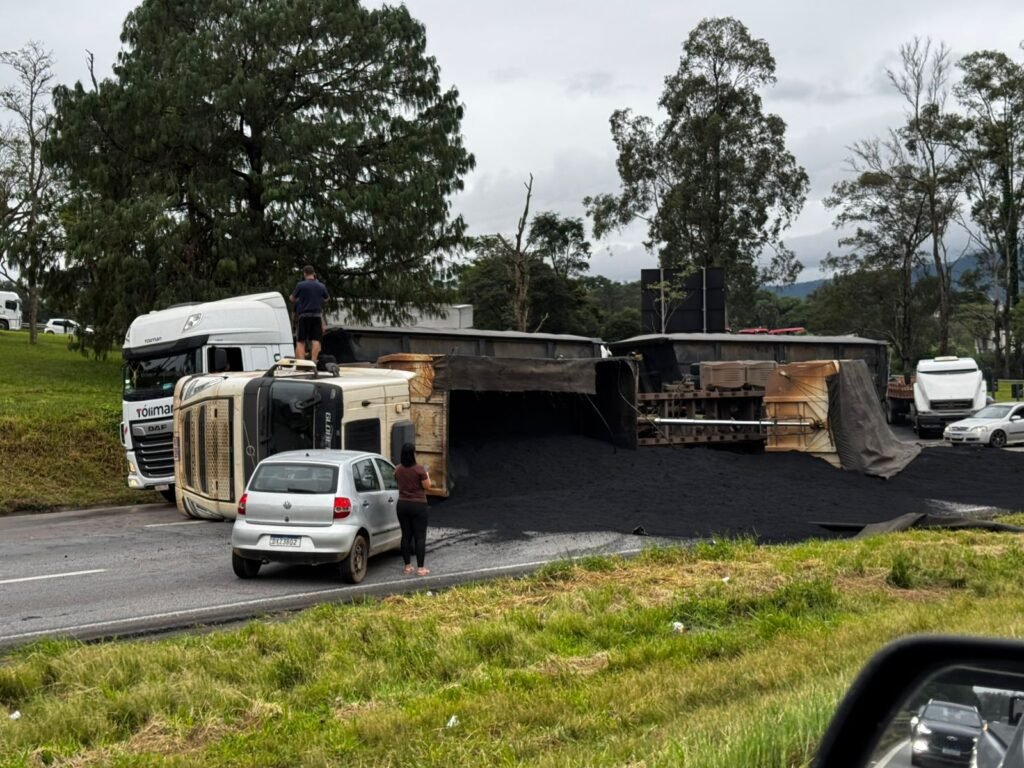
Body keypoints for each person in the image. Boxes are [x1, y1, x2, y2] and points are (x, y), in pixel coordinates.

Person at [394, 442, 431, 576]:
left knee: (406, 535)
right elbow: (428, 486)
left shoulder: (397, 469)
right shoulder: (420, 469)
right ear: (413, 454)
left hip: (402, 504)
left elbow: (398, 482)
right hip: (418, 505)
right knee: (420, 537)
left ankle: (407, 567)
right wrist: (427, 474)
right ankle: (421, 568)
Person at [289, 265, 329, 363]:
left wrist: (297, 298)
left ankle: (302, 363)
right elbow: (327, 299)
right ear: (314, 274)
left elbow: (292, 298)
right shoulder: (321, 285)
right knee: (316, 340)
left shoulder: (300, 285)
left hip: (303, 315)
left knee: (301, 341)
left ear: (304, 274)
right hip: (316, 315)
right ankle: (314, 361)